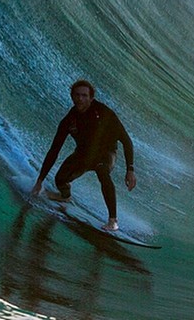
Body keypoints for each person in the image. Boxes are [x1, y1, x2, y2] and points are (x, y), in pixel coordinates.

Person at [30, 79, 137, 232]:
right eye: (77, 95)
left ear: (91, 98)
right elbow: (54, 150)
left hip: (106, 154)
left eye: (84, 95)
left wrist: (130, 169)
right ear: (72, 96)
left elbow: (126, 140)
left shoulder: (104, 113)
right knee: (60, 179)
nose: (80, 98)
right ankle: (65, 196)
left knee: (102, 170)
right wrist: (39, 181)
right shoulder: (69, 120)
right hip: (83, 154)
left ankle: (113, 221)